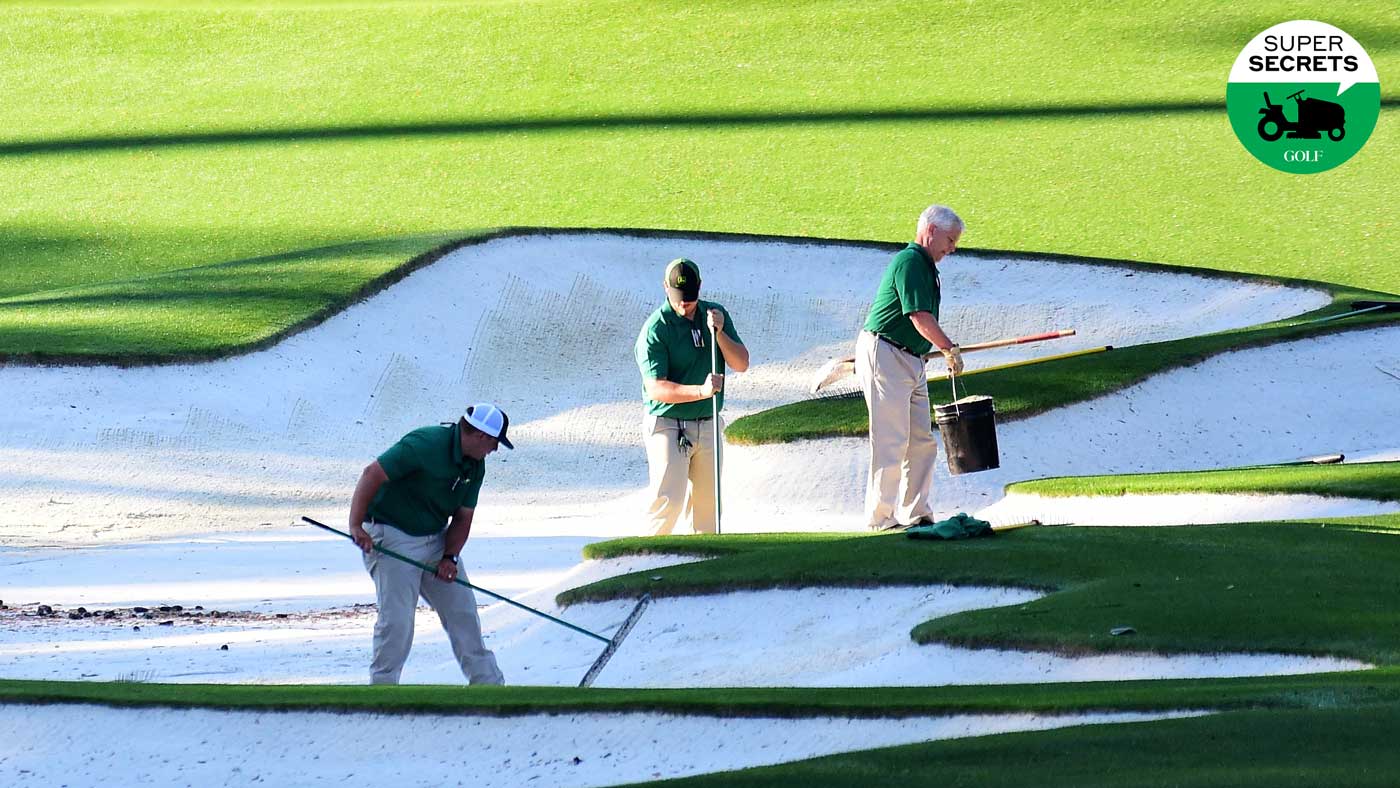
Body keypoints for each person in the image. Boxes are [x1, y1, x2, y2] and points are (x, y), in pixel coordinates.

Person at [347, 403, 513, 685]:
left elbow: (463, 518)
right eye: (495, 443)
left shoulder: (476, 465)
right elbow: (371, 474)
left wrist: (450, 558)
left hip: (436, 539)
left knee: (463, 611)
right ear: (481, 436)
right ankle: (382, 690)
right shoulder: (425, 443)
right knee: (398, 621)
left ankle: (489, 686)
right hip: (391, 535)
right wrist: (356, 525)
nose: (495, 450)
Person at [856, 204, 966, 531]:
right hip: (886, 352)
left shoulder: (927, 267)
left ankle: (918, 513)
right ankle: (881, 519)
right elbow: (919, 316)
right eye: (950, 239)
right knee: (891, 439)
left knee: (921, 441)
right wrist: (948, 347)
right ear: (931, 231)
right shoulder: (910, 261)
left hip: (911, 359)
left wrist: (940, 349)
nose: (952, 248)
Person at [634, 258, 750, 535]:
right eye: (678, 298)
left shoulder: (714, 315)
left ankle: (702, 571)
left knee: (707, 509)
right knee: (668, 503)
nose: (684, 304)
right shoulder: (655, 330)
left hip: (708, 421)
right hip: (667, 423)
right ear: (665, 288)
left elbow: (741, 363)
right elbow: (656, 388)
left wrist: (720, 333)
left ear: (699, 288)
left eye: (689, 298)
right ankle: (646, 567)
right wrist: (701, 391)